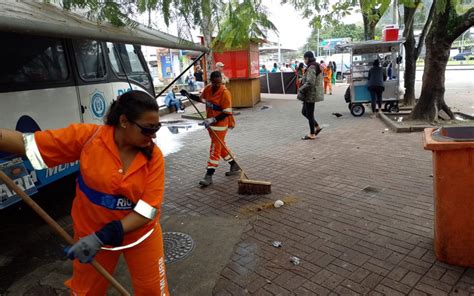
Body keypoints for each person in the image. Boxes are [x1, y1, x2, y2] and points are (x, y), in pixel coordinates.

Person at [0, 91, 168, 295]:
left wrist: (103, 236)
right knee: (85, 292)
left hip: (141, 237)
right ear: (124, 121)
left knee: (154, 291)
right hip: (91, 236)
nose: (154, 136)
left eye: (156, 128)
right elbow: (30, 144)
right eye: (148, 129)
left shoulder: (154, 158)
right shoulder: (88, 138)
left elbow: (148, 210)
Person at [180, 71, 239, 187]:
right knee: (219, 145)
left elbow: (227, 112)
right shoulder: (208, 88)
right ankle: (233, 164)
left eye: (218, 83)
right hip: (211, 124)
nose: (217, 85)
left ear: (221, 81)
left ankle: (209, 175)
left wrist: (213, 120)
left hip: (221, 124)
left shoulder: (225, 93)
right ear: (210, 81)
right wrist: (188, 95)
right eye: (214, 83)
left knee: (214, 148)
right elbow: (202, 100)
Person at [298, 51, 324, 140]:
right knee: (304, 112)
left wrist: (300, 89)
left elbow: (310, 82)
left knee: (309, 114)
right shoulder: (315, 65)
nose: (304, 61)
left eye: (304, 59)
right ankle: (317, 127)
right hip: (310, 93)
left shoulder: (312, 67)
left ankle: (312, 134)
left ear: (307, 58)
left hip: (311, 94)